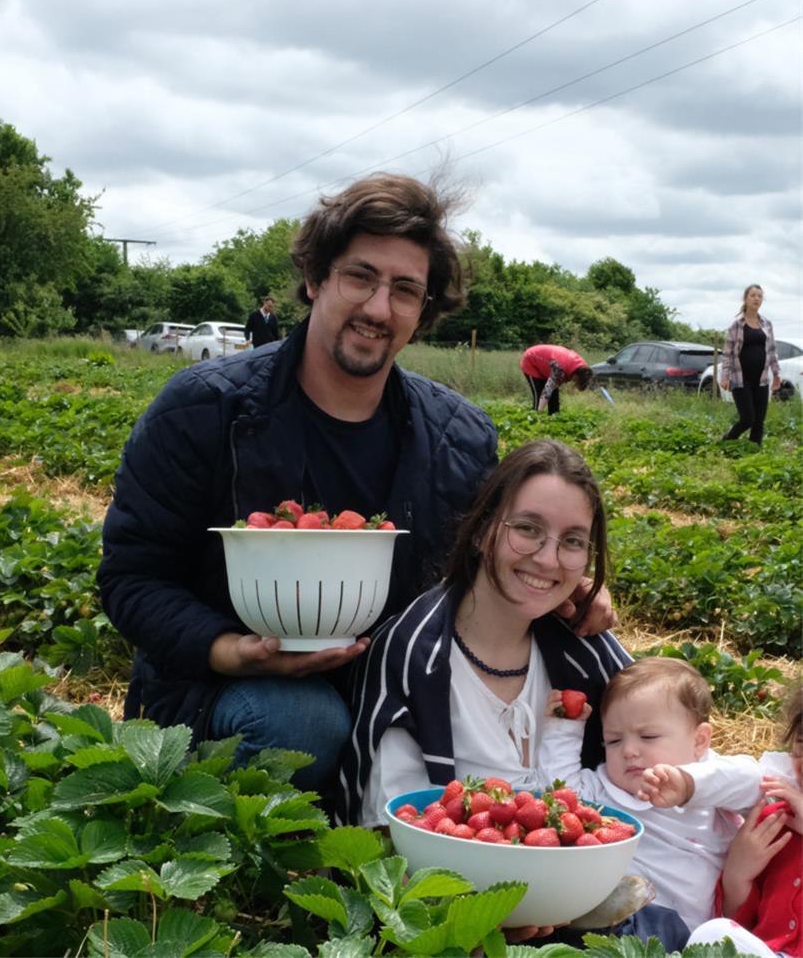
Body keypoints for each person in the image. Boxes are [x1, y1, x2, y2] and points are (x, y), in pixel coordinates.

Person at [98, 174, 614, 795]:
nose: (378, 308)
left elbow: (476, 567)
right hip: (226, 690)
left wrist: (558, 588)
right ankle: (244, 851)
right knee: (303, 720)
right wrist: (230, 649)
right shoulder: (206, 410)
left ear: (422, 312)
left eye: (405, 290)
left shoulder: (460, 437)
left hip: (393, 681)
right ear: (316, 279)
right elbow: (132, 576)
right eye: (360, 277)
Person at [338, 439, 632, 829]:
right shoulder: (412, 657)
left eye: (573, 541)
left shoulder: (588, 652)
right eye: (528, 528)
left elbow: (672, 755)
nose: (548, 559)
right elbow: (393, 833)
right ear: (480, 530)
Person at [537, 657, 764, 942]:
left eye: (648, 736)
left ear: (699, 742)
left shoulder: (710, 775)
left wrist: (689, 785)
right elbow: (558, 797)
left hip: (711, 933)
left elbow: (757, 783)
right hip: (637, 929)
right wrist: (562, 728)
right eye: (614, 740)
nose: (629, 750)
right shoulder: (603, 788)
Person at [686, 680, 802, 957]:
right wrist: (738, 874)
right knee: (711, 935)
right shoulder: (776, 822)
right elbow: (742, 922)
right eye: (802, 744)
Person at [720, 284, 780, 446]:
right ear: (746, 299)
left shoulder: (767, 324)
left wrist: (776, 374)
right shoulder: (737, 325)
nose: (756, 299)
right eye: (753, 295)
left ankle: (754, 453)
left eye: (759, 296)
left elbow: (772, 351)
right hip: (740, 379)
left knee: (759, 422)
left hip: (761, 380)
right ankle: (726, 442)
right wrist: (725, 376)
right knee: (747, 419)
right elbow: (727, 353)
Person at [519, 344, 593, 415]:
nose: (573, 382)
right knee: (539, 394)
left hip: (549, 363)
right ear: (576, 376)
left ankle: (554, 417)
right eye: (575, 381)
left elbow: (554, 385)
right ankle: (534, 418)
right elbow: (546, 392)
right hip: (531, 359)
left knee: (554, 394)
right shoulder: (559, 369)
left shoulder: (583, 368)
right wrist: (539, 411)